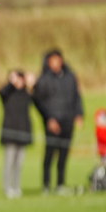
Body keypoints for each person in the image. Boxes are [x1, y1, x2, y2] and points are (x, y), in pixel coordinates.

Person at [32, 49, 83, 194]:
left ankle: (60, 184)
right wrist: (49, 118)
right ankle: (46, 184)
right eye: (52, 60)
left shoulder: (70, 77)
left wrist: (79, 114)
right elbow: (38, 101)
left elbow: (77, 96)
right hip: (52, 122)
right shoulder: (44, 79)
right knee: (49, 153)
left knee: (64, 153)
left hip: (68, 120)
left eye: (57, 59)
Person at [0, 69, 35, 198]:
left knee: (19, 164)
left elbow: (37, 99)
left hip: (23, 132)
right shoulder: (8, 94)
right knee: (9, 163)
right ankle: (8, 187)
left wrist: (31, 85)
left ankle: (16, 187)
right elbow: (1, 92)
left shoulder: (26, 94)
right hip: (10, 133)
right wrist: (11, 83)